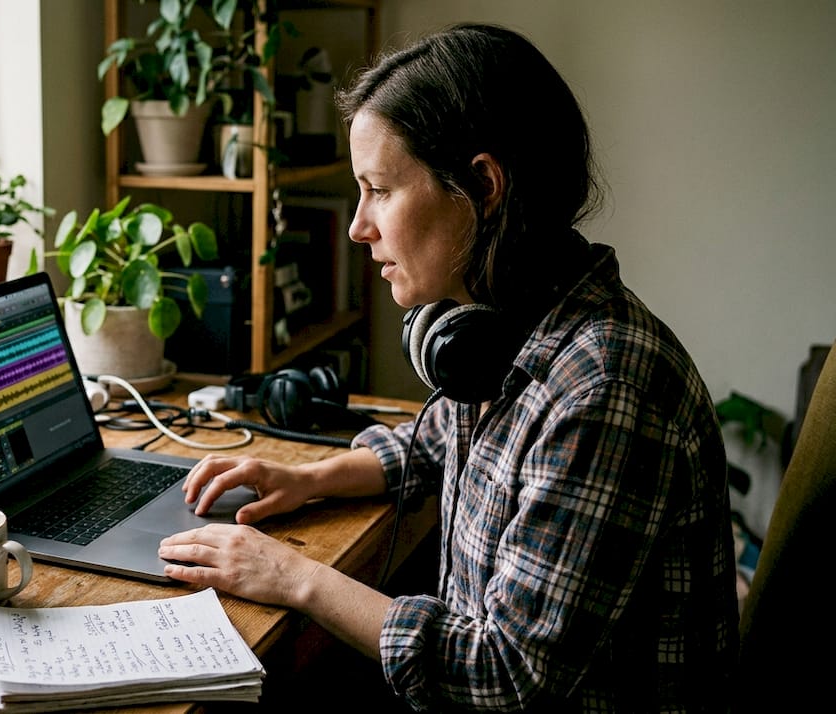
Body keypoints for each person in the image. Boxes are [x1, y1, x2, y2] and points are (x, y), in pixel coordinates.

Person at [157, 23, 738, 712]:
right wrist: (307, 478)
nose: (357, 226)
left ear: (482, 187)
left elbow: (505, 672)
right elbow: (436, 444)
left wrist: (294, 576)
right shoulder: (502, 327)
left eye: (380, 189)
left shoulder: (604, 388)